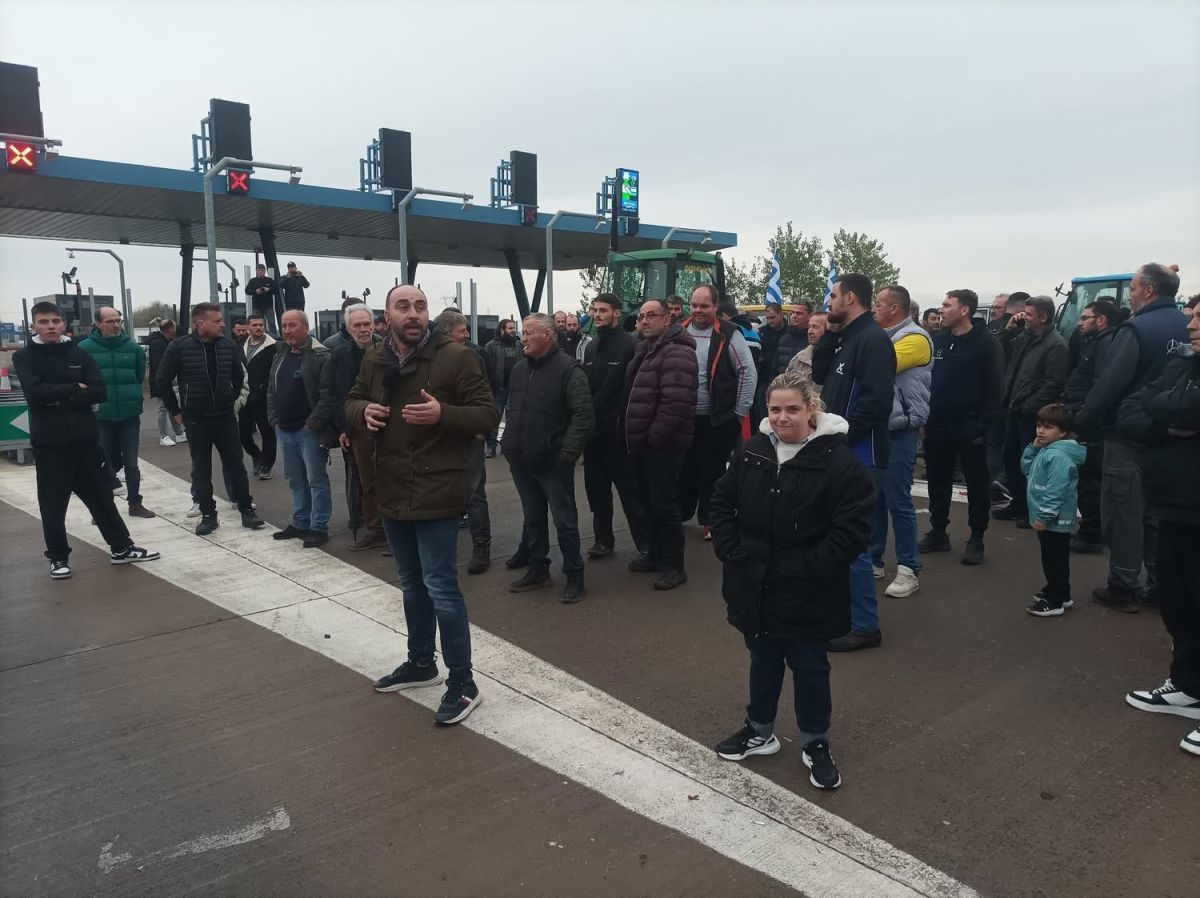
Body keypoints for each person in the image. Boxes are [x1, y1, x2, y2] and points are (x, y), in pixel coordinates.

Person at [709, 372, 873, 790]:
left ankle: (816, 742)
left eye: (793, 409)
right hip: (754, 584)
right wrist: (730, 549)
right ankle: (759, 730)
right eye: (775, 409)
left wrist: (805, 568)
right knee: (763, 660)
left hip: (809, 591)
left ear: (811, 409)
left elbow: (851, 532)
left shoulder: (839, 462)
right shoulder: (753, 450)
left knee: (810, 668)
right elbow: (722, 501)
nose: (783, 418)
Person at [351, 285, 498, 725]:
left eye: (420, 306)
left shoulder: (457, 357)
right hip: (392, 489)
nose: (413, 313)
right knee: (411, 584)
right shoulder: (375, 357)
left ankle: (463, 683)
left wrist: (443, 414)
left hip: (438, 490)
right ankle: (421, 663)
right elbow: (352, 398)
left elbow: (488, 414)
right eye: (403, 307)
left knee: (441, 589)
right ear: (387, 316)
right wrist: (362, 412)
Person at [13, 302, 161, 580]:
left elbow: (98, 391)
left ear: (63, 324)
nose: (50, 326)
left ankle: (121, 547)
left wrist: (60, 397)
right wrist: (74, 388)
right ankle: (58, 558)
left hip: (85, 442)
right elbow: (36, 394)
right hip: (50, 445)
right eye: (43, 322)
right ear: (34, 326)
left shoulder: (79, 354)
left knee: (102, 498)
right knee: (53, 505)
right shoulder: (24, 357)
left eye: (55, 321)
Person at [1076, 264, 1189, 611]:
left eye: (1136, 288)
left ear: (1149, 290)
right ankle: (1160, 584)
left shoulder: (1136, 328)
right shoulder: (1186, 326)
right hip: (1172, 436)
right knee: (1157, 515)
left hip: (1127, 434)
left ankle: (1124, 585)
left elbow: (1110, 383)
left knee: (1122, 512)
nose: (1132, 295)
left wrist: (1081, 422)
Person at [1117, 305, 1200, 755]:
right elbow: (1132, 407)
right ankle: (1189, 687)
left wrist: (1175, 408)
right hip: (1176, 503)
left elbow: (1185, 405)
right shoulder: (1183, 362)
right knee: (1178, 600)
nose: (1190, 325)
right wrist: (1173, 422)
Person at [811, 273, 896, 652]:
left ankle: (864, 626)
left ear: (849, 297)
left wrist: (841, 441)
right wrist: (830, 333)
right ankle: (844, 614)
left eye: (833, 295)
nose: (828, 302)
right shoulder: (848, 337)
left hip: (861, 456)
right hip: (841, 452)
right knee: (836, 536)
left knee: (853, 541)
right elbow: (819, 374)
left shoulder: (873, 340)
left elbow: (877, 404)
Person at [503, 313, 594, 602]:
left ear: (548, 336)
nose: (524, 337)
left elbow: (583, 417)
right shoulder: (519, 369)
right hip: (522, 459)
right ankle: (538, 569)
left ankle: (574, 575)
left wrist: (566, 454)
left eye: (530, 332)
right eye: (523, 331)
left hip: (553, 462)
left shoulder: (569, 370)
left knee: (564, 521)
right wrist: (508, 444)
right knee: (533, 518)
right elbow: (513, 408)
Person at [157, 303, 266, 536]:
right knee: (201, 469)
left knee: (236, 465)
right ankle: (208, 515)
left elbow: (238, 377)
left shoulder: (228, 346)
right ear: (201, 324)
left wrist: (230, 400)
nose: (223, 325)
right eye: (217, 321)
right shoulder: (179, 347)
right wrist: (176, 411)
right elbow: (162, 380)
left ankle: (246, 510)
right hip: (196, 419)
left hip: (225, 417)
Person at [921, 289, 1006, 565]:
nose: (941, 309)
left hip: (971, 426)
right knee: (938, 480)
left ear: (965, 310)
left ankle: (976, 537)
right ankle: (938, 532)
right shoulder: (939, 340)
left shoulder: (987, 343)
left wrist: (981, 425)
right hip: (937, 424)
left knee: (977, 483)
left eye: (947, 305)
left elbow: (996, 387)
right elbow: (928, 380)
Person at [620, 298, 698, 590]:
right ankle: (654, 554)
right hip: (642, 444)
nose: (645, 321)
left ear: (668, 319)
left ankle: (674, 565)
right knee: (647, 502)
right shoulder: (645, 349)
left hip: (663, 445)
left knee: (664, 505)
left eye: (652, 315)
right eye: (642, 316)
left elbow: (675, 405)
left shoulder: (678, 352)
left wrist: (652, 440)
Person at [678, 284, 757, 539]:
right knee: (684, 468)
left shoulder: (729, 333)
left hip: (718, 418)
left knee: (712, 471)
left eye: (704, 306)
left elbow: (747, 371)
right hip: (682, 417)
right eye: (694, 305)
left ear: (715, 307)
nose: (698, 310)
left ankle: (711, 521)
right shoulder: (678, 330)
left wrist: (739, 413)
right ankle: (681, 512)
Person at [869, 285, 932, 597]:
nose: (873, 309)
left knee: (898, 501)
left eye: (878, 304)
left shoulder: (916, 338)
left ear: (894, 308)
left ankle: (909, 568)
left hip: (900, 431)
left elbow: (878, 366)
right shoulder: (881, 336)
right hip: (878, 429)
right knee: (875, 499)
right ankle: (874, 559)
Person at [582, 293, 650, 560]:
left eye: (603, 310)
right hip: (594, 435)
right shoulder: (591, 347)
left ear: (617, 313)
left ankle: (646, 545)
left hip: (619, 435)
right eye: (595, 310)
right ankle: (603, 540)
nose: (597, 315)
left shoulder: (631, 346)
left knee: (631, 492)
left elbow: (635, 390)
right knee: (597, 492)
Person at [992, 296, 1069, 525]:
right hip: (1015, 409)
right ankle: (1018, 503)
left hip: (1031, 415)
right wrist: (1008, 330)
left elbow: (1054, 383)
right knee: (1011, 458)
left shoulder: (1056, 345)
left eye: (1028, 314)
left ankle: (1032, 509)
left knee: (1033, 465)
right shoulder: (1026, 338)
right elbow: (1000, 352)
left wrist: (1028, 407)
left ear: (1043, 317)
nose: (1023, 317)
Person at [79, 306, 155, 519]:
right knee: (103, 463)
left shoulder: (133, 349)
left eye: (118, 321)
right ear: (98, 324)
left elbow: (139, 376)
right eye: (110, 321)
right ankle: (104, 509)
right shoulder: (84, 349)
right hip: (100, 415)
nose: (115, 325)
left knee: (131, 463)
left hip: (129, 414)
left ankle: (135, 503)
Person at [267, 310, 334, 548]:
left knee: (316, 480)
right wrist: (274, 418)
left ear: (306, 327)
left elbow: (328, 396)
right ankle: (300, 522)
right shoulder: (280, 354)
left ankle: (318, 527)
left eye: (292, 325)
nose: (287, 331)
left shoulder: (321, 356)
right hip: (284, 429)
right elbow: (271, 390)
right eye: (284, 326)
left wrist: (312, 424)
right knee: (295, 479)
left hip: (309, 431)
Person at [436, 309, 494, 574]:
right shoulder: (431, 357)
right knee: (445, 493)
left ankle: (481, 548)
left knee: (474, 494)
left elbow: (486, 393)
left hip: (469, 436)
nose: (468, 335)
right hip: (442, 436)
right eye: (463, 330)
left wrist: (481, 429)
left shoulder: (472, 356)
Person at [1063, 300, 1119, 553]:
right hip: (1084, 415)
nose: (1080, 322)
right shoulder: (1094, 341)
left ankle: (1092, 533)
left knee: (1089, 481)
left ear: (1101, 320)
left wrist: (1081, 417)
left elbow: (1099, 386)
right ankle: (1091, 529)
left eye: (1085, 318)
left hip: (1091, 423)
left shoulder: (1106, 344)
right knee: (1087, 480)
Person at [1020, 404, 1086, 616]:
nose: (1040, 431)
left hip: (1054, 518)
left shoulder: (1058, 456)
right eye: (1039, 425)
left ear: (1063, 432)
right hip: (1050, 517)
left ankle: (1055, 600)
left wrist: (1044, 516)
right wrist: (1033, 448)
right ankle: (1060, 592)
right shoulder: (1047, 450)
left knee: (1054, 560)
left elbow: (1055, 490)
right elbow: (1026, 468)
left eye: (1048, 427)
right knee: (1054, 557)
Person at [332, 304, 385, 551]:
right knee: (367, 481)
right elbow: (338, 393)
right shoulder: (340, 355)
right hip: (358, 427)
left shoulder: (388, 349)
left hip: (388, 422)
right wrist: (344, 428)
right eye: (357, 325)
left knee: (393, 478)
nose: (363, 329)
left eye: (367, 324)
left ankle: (397, 530)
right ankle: (375, 529)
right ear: (348, 327)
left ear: (373, 324)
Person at [240, 313, 277, 480]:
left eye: (261, 325)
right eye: (255, 325)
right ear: (248, 327)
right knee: (242, 433)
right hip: (244, 396)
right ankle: (256, 454)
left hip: (264, 397)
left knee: (267, 432)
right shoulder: (241, 346)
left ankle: (266, 465)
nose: (258, 328)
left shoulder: (273, 347)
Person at [482, 318, 521, 458]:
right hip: (497, 388)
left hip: (514, 388)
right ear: (502, 330)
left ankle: (506, 445)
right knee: (494, 418)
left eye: (513, 328)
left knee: (512, 419)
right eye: (510, 328)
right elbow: (485, 367)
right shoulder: (491, 346)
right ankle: (491, 446)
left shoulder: (519, 345)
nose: (513, 331)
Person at [148, 319, 187, 447]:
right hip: (161, 380)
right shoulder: (158, 343)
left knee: (171, 405)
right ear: (170, 329)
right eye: (174, 327)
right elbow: (159, 363)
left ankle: (179, 433)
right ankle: (164, 436)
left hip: (166, 379)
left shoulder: (165, 341)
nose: (176, 329)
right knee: (163, 407)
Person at [785, 310, 828, 392]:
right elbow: (785, 389)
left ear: (828, 330)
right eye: (809, 327)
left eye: (815, 327)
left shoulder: (837, 361)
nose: (810, 331)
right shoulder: (798, 359)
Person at [245, 263, 280, 334]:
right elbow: (247, 291)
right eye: (259, 270)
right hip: (257, 307)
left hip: (268, 306)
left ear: (265, 271)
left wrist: (269, 289)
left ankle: (275, 337)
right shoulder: (253, 281)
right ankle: (260, 336)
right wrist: (256, 291)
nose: (260, 272)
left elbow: (277, 290)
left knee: (271, 322)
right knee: (259, 324)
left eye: (262, 270)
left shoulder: (269, 280)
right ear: (256, 271)